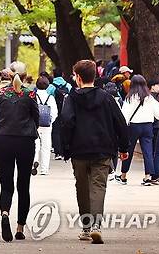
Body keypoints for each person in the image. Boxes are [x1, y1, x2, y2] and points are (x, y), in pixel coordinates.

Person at [61, 60, 129, 244]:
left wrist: (65, 148)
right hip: (103, 150)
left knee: (82, 188)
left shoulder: (71, 98)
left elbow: (66, 122)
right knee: (99, 187)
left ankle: (85, 228)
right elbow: (120, 122)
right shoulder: (107, 98)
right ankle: (96, 226)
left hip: (79, 150)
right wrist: (123, 148)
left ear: (79, 78)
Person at [0, 61, 38, 242]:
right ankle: (20, 227)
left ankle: (5, 214)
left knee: (6, 184)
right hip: (25, 141)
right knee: (23, 184)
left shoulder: (0, 94)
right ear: (25, 76)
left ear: (9, 76)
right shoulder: (30, 94)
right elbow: (36, 117)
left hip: (2, 139)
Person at [119, 75, 159, 186]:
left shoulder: (130, 98)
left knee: (128, 151)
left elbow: (124, 116)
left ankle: (123, 175)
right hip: (148, 126)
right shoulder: (150, 98)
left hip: (133, 127)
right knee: (148, 152)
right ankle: (148, 176)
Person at [34, 76, 58, 175]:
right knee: (46, 146)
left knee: (35, 144)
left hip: (35, 124)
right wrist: (50, 121)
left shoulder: (33, 96)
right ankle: (44, 169)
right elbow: (55, 113)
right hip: (47, 125)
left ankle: (34, 161)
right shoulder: (50, 97)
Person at [47, 71, 72, 161]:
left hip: (55, 111)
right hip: (66, 111)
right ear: (62, 74)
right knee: (65, 130)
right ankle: (65, 151)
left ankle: (57, 152)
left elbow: (47, 97)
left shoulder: (51, 87)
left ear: (54, 75)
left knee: (56, 131)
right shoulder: (68, 85)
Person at [148, 79, 159, 155]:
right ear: (152, 87)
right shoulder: (153, 97)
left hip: (150, 125)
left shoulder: (148, 96)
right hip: (155, 124)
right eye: (158, 85)